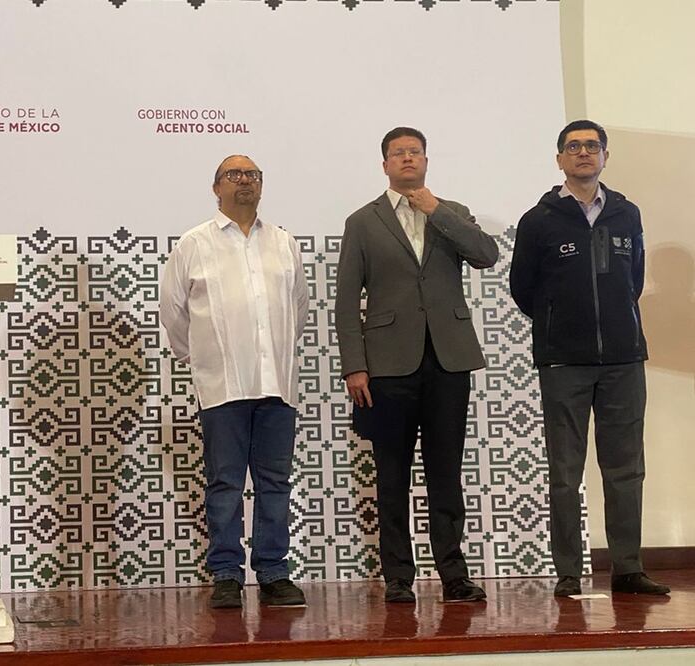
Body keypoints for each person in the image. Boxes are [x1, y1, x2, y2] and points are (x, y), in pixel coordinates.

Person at [335, 127, 498, 603]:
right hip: (387, 365)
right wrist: (354, 366)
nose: (407, 159)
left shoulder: (452, 213)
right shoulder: (362, 222)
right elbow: (347, 301)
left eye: (414, 152)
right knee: (391, 473)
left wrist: (436, 211)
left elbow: (485, 255)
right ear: (384, 165)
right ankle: (398, 577)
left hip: (448, 360)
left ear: (426, 160)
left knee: (445, 472)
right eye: (397, 154)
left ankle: (454, 574)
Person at [510, 119, 669, 597]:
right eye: (573, 147)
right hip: (564, 363)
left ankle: (627, 567)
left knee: (626, 469)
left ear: (605, 156)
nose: (583, 153)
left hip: (623, 360)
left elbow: (632, 281)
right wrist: (560, 322)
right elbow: (524, 289)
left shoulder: (627, 214)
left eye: (592, 146)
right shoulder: (539, 219)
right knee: (565, 471)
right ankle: (568, 572)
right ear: (560, 158)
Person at [160, 155, 309, 609]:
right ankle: (225, 573)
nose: (245, 181)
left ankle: (273, 571)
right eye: (234, 174)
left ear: (261, 186)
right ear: (216, 187)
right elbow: (173, 314)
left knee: (275, 482)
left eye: (253, 175)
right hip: (221, 384)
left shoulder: (284, 243)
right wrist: (207, 358)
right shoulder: (193, 244)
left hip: (276, 384)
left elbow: (297, 309)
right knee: (224, 482)